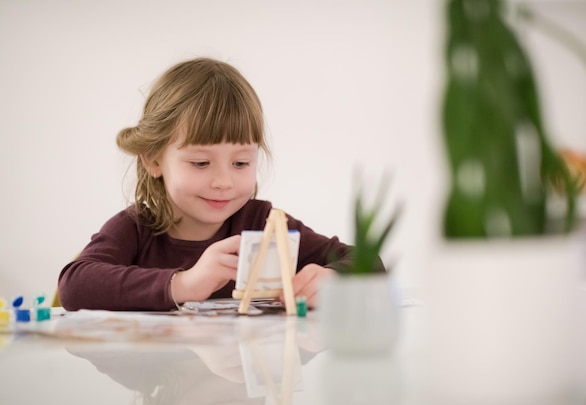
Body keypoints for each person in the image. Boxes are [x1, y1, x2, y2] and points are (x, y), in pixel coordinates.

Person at [58, 57, 365, 311]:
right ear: (153, 160)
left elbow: (367, 262)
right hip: (162, 380)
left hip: (242, 379)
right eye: (201, 163)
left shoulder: (263, 224)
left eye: (241, 163)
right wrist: (185, 283)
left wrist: (332, 279)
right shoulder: (136, 229)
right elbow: (74, 285)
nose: (223, 182)